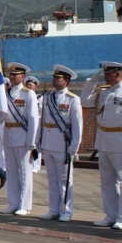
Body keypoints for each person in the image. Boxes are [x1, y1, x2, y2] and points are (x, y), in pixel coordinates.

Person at [36, 65, 82, 222]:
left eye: (58, 78)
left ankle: (67, 211)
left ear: (66, 81)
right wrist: (39, 141)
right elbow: (42, 122)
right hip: (48, 143)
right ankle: (54, 209)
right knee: (52, 179)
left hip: (63, 145)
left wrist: (74, 147)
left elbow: (77, 125)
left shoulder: (72, 99)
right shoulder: (47, 97)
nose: (54, 80)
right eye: (54, 77)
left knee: (65, 180)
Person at [81, 61, 122, 229]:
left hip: (120, 140)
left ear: (118, 74)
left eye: (108, 73)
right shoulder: (103, 92)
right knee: (107, 181)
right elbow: (85, 101)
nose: (105, 76)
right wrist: (92, 81)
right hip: (104, 140)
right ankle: (110, 214)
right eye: (105, 73)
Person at [0, 63, 39, 216]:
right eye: (11, 74)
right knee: (11, 172)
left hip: (22, 136)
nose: (12, 77)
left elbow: (33, 119)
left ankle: (25, 204)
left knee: (24, 172)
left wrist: (31, 141)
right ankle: (13, 203)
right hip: (9, 134)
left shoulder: (28, 94)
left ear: (22, 77)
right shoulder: (5, 93)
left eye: (15, 75)